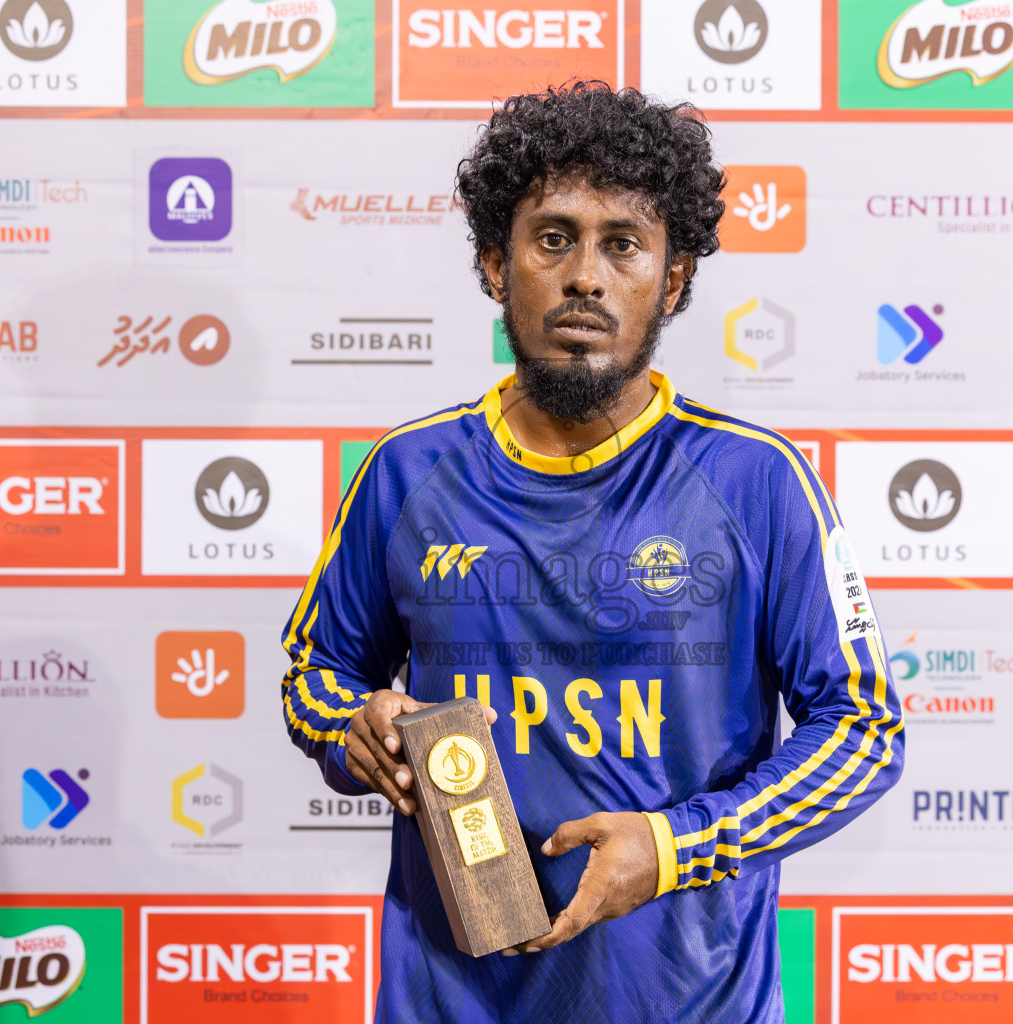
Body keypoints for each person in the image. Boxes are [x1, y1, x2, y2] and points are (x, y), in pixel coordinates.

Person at [282, 83, 903, 1022]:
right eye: (553, 238)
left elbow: (861, 731)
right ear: (496, 264)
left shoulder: (757, 481)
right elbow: (315, 673)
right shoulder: (410, 474)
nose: (586, 276)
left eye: (624, 243)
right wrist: (351, 728)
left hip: (687, 998)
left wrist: (676, 846)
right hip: (451, 996)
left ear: (676, 277)